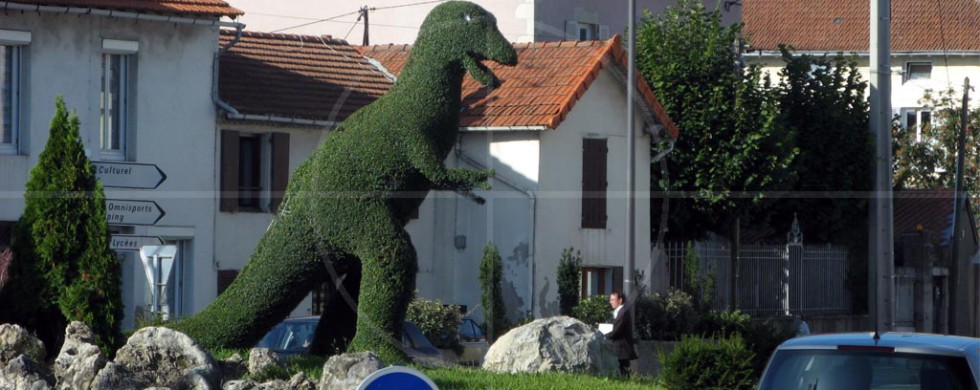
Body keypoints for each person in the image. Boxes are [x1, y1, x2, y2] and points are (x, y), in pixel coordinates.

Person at [606, 291, 637, 376]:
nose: (610, 302)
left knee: (624, 373)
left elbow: (616, 330)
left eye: (613, 300)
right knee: (623, 372)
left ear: (620, 300)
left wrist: (604, 336)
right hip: (620, 348)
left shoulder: (622, 312)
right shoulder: (619, 312)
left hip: (622, 348)